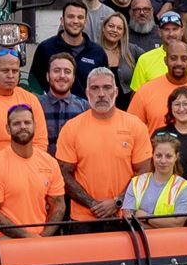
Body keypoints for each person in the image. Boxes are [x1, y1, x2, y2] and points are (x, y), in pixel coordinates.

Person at [55, 68, 151, 222]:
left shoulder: (135, 125)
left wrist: (117, 202)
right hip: (83, 219)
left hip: (124, 216)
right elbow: (64, 174)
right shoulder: (71, 128)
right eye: (95, 88)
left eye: (107, 87)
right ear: (87, 93)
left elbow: (144, 171)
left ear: (116, 91)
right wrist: (92, 203)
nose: (101, 94)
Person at [0, 105, 66, 238]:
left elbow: (59, 205)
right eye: (16, 123)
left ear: (35, 126)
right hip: (8, 239)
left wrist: (44, 236)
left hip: (42, 237)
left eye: (27, 122)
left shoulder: (49, 162)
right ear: (8, 129)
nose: (23, 126)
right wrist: (27, 237)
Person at [122, 133, 187, 223]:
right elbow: (128, 219)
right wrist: (162, 223)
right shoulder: (136, 182)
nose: (163, 161)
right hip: (139, 237)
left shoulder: (185, 187)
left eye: (168, 156)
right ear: (153, 155)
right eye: (158, 155)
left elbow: (177, 223)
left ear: (176, 157)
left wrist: (145, 216)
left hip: (170, 237)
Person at [36, 0, 111, 90]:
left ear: (85, 22)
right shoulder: (45, 48)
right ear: (62, 21)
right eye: (71, 16)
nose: (75, 21)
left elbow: (105, 86)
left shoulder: (98, 53)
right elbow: (35, 85)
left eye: (80, 17)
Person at [37, 51, 89, 142]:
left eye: (67, 71)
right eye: (56, 71)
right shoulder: (36, 105)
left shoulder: (85, 107)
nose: (62, 76)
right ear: (47, 76)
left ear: (73, 78)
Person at [129, 10, 184, 89]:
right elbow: (136, 95)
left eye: (175, 29)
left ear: (182, 31)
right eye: (166, 29)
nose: (171, 34)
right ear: (159, 32)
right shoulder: (145, 60)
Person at [97, 12, 132, 81]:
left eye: (119, 28)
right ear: (103, 28)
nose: (114, 30)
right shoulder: (92, 50)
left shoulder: (131, 50)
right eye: (111, 26)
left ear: (123, 33)